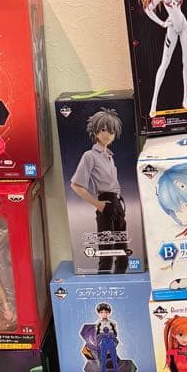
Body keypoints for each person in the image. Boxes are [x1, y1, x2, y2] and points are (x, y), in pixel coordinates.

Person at [70, 108, 130, 273]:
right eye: (103, 130)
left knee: (123, 252)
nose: (107, 134)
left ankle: (121, 281)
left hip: (118, 203)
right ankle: (104, 282)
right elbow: (76, 185)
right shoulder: (90, 155)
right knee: (106, 252)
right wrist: (98, 204)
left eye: (111, 131)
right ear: (96, 131)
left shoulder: (109, 156)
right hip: (106, 203)